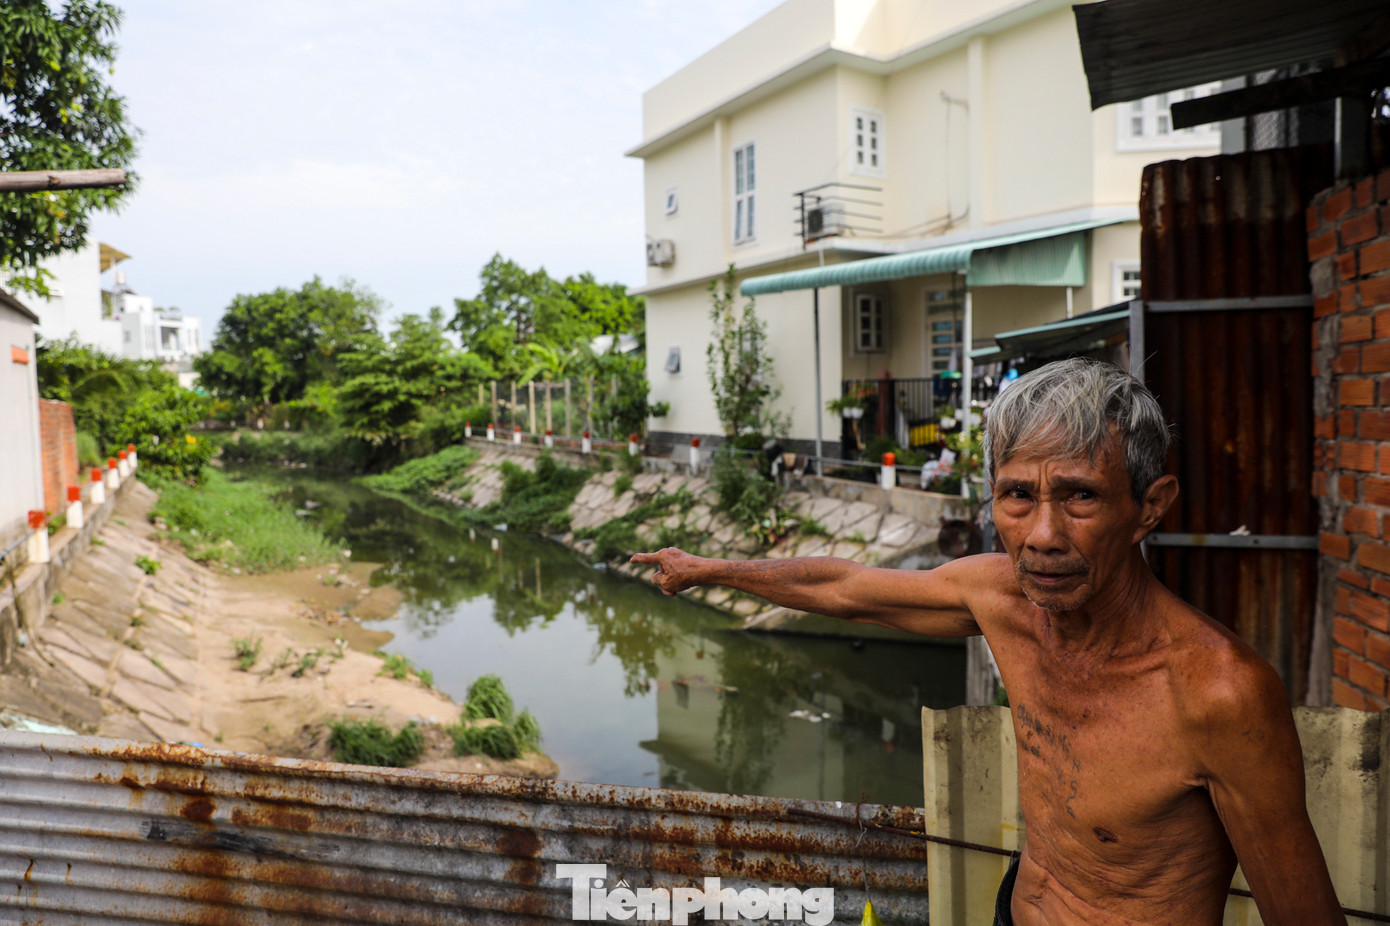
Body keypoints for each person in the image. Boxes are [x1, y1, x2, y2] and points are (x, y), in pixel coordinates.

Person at [632, 358, 1344, 926]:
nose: (1041, 536)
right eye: (1018, 496)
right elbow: (845, 589)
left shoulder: (1217, 694)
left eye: (1081, 496)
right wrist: (712, 569)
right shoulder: (1004, 598)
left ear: (1149, 507)